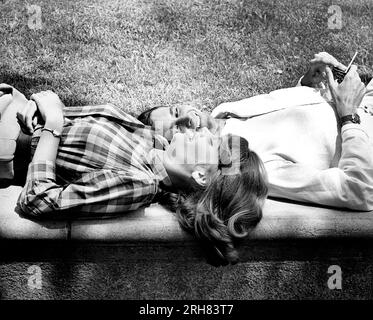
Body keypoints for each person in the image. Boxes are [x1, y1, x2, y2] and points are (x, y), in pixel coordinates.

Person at [0, 85, 268, 264]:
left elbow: (39, 200)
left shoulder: (140, 184)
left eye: (211, 143)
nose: (206, 131)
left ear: (201, 177)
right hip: (14, 101)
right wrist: (42, 103)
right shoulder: (155, 142)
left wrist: (54, 124)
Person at [138, 52, 373, 211]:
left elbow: (285, 119)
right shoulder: (247, 165)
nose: (188, 117)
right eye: (176, 129)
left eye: (177, 109)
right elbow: (357, 190)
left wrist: (310, 84)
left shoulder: (223, 113)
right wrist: (349, 115)